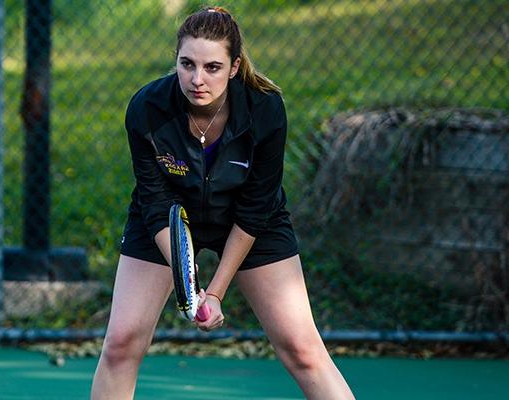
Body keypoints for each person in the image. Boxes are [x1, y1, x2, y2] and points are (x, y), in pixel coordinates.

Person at [91, 6, 355, 400]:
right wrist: (186, 273)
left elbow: (255, 207)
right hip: (167, 220)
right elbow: (153, 198)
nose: (197, 79)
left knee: (302, 350)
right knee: (120, 344)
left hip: (250, 223)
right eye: (187, 64)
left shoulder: (265, 110)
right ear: (176, 61)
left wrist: (213, 292)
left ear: (234, 68)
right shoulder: (147, 109)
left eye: (212, 67)